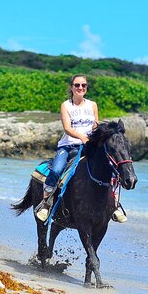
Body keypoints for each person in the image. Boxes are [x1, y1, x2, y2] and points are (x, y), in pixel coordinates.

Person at [35, 75, 126, 223]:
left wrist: (99, 137)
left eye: (83, 85)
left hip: (89, 145)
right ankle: (46, 204)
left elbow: (95, 126)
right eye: (77, 85)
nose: (80, 88)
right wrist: (82, 137)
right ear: (71, 87)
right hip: (68, 145)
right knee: (57, 170)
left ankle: (114, 204)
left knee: (108, 166)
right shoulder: (66, 105)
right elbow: (67, 128)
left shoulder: (92, 105)